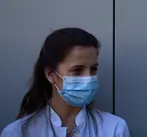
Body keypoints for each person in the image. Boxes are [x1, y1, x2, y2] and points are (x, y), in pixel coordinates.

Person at [1, 27, 130, 137]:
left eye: (93, 69)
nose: (88, 78)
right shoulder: (18, 132)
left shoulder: (114, 129)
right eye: (77, 70)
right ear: (51, 75)